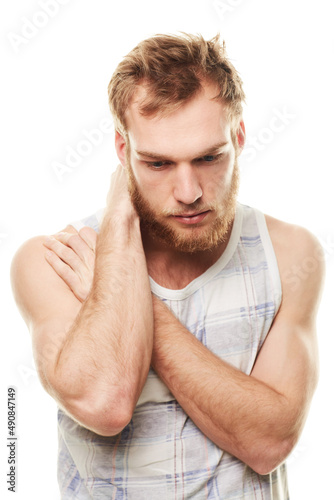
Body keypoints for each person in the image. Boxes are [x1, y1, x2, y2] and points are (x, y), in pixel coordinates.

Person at [10, 33, 325, 499]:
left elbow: (270, 441)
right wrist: (120, 214)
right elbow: (105, 402)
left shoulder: (291, 253)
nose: (189, 191)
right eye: (157, 163)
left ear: (239, 139)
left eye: (208, 157)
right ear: (122, 152)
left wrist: (137, 300)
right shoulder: (54, 261)